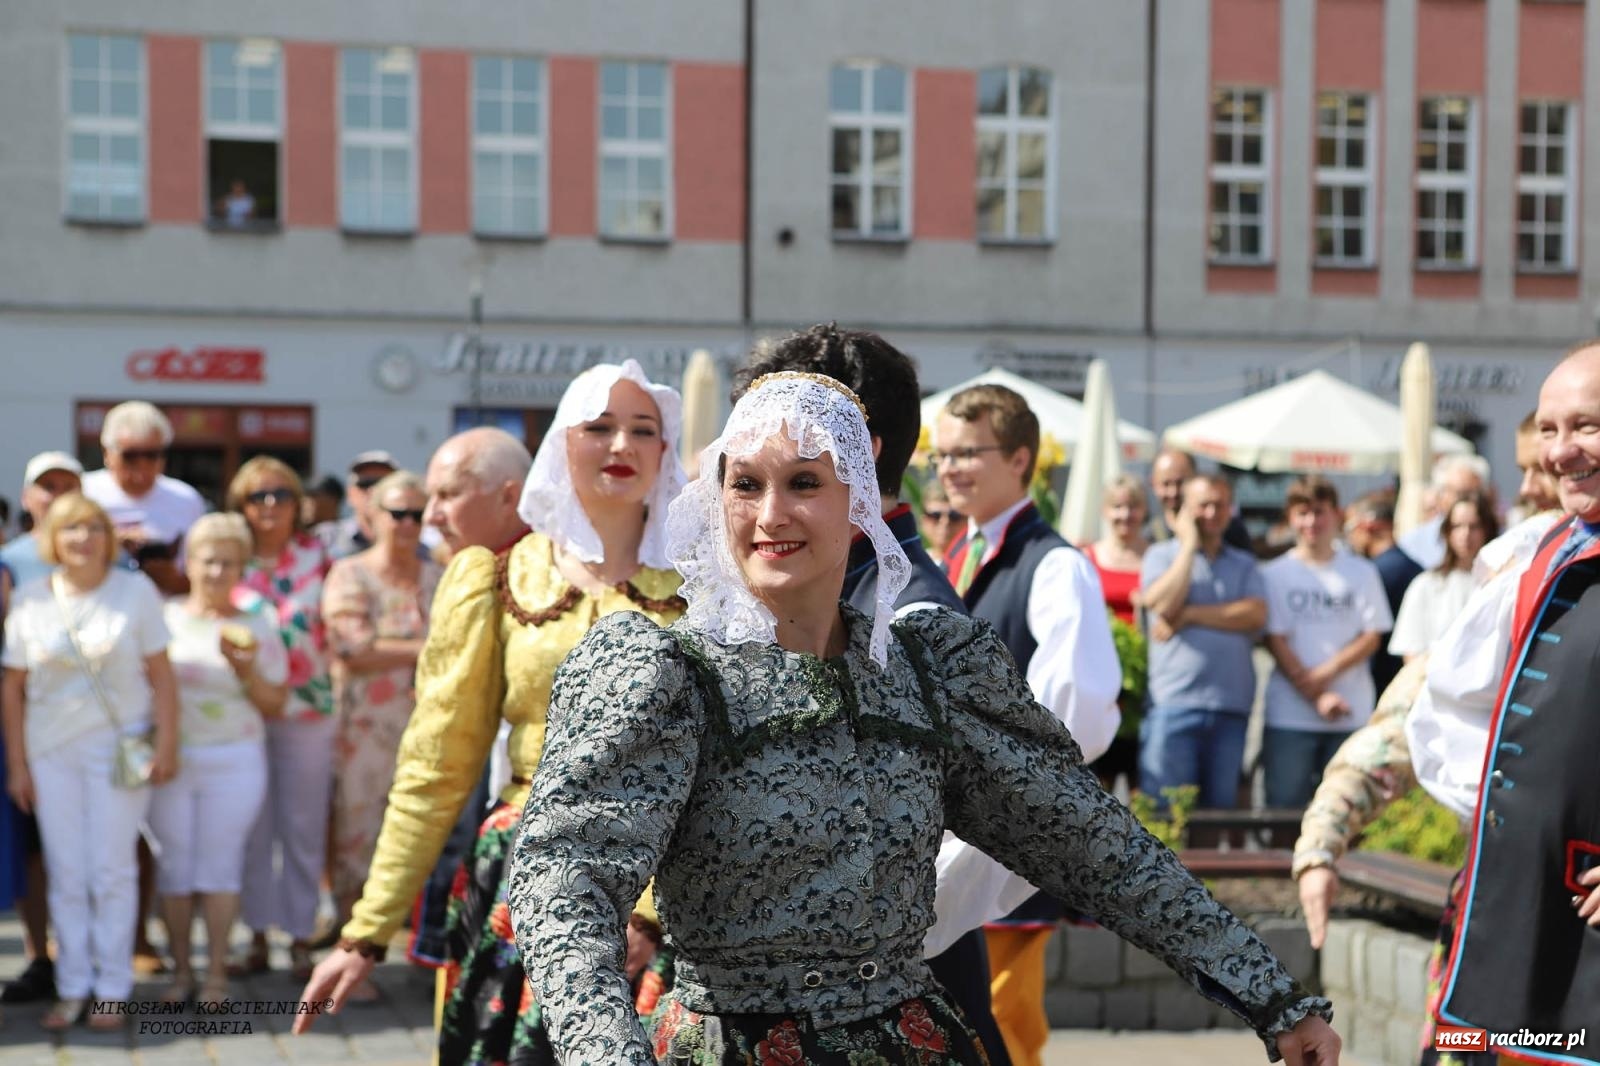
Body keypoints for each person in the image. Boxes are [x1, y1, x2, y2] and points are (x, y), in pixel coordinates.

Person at [502, 371, 1340, 1065]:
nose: (769, 515)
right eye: (745, 484)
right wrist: (605, 1053)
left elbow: (1090, 844)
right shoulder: (668, 676)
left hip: (914, 1042)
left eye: (804, 483)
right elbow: (564, 880)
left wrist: (1267, 994)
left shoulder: (927, 670)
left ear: (857, 502)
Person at [295, 361, 689, 1064]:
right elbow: (436, 765)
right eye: (599, 427)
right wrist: (366, 929)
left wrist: (650, 912)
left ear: (666, 449)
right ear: (561, 444)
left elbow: (717, 763)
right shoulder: (498, 576)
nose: (622, 446)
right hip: (524, 875)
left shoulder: (703, 589)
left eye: (643, 430)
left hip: (667, 879)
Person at [730, 324, 1011, 1066]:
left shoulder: (914, 621)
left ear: (860, 447)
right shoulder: (805, 594)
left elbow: (1006, 827)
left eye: (790, 464)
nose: (762, 502)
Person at [934, 382, 1121, 1066]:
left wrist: (1002, 798)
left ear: (1020, 459)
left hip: (1009, 827)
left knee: (1005, 1014)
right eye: (942, 455)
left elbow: (1077, 708)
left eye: (967, 453)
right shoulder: (958, 554)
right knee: (961, 1012)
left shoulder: (1056, 565)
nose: (949, 468)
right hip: (955, 825)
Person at [1423, 345, 1600, 1062]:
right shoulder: (1544, 549)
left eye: (1585, 426)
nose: (1559, 452)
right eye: (1549, 430)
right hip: (1505, 917)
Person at [1, 493, 178, 1030]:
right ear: (54, 537)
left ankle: (112, 989)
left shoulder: (135, 592)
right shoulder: (31, 599)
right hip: (51, 748)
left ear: (108, 536)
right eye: (71, 528)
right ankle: (73, 984)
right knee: (66, 870)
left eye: (92, 527)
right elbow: (13, 688)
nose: (83, 539)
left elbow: (162, 676)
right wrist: (18, 766)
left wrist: (167, 743)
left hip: (118, 748)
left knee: (113, 868)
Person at [150, 513, 288, 1007]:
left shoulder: (259, 622)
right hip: (172, 759)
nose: (217, 572)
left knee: (220, 868)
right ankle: (181, 972)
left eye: (229, 563)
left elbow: (276, 702)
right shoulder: (163, 618)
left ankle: (216, 977)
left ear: (242, 568)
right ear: (189, 562)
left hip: (235, 758)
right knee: (176, 869)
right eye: (209, 560)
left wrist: (246, 673)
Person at [408, 426, 533, 967]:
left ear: (509, 496)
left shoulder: (548, 577)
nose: (430, 515)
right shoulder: (469, 570)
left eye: (448, 495)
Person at [322, 469, 442, 998]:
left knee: (435, 833)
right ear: (372, 517)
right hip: (366, 733)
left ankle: (421, 945)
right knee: (358, 838)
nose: (409, 524)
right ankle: (354, 952)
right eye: (398, 514)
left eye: (418, 514)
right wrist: (430, 647)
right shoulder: (350, 574)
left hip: (433, 725)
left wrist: (396, 644)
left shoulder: (439, 573)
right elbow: (353, 648)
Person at [227, 457, 334, 982]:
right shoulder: (230, 558)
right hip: (241, 708)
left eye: (280, 495)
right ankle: (254, 934)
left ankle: (298, 936)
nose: (269, 506)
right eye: (257, 496)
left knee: (302, 826)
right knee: (251, 825)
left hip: (308, 707)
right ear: (240, 506)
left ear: (298, 504)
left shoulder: (320, 557)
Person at [0, 451, 83, 1004]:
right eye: (44, 487)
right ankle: (39, 955)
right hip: (24, 725)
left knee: (86, 849)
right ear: (28, 498)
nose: (54, 496)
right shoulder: (8, 561)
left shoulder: (104, 551)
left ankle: (90, 955)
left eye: (66, 486)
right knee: (32, 849)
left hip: (87, 729)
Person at [1259, 476, 1391, 809]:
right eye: (1302, 513)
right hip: (1290, 715)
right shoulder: (1275, 573)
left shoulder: (1361, 571)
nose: (1311, 522)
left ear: (1337, 514)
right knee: (1284, 808)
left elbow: (1372, 635)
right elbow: (1274, 638)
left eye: (1319, 512)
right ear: (1290, 517)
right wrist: (1317, 694)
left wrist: (1323, 676)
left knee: (1348, 808)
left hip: (1350, 710)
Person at [1140, 474, 1267, 810]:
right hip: (1174, 703)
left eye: (1220, 504)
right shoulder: (1160, 555)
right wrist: (1188, 546)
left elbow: (1255, 614)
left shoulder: (1244, 563)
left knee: (1217, 817)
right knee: (1165, 816)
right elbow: (1164, 604)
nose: (1212, 512)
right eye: (1203, 505)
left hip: (1231, 707)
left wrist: (1191, 614)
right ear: (1184, 510)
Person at [81, 400, 207, 597]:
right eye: (130, 456)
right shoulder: (83, 493)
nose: (141, 466)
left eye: (152, 455)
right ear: (107, 453)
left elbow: (207, 574)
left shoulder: (186, 500)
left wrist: (172, 578)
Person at [1083, 473, 1151, 792]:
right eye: (1117, 506)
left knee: (1141, 781)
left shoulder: (1157, 557)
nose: (1125, 515)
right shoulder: (1086, 557)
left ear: (1144, 511)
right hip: (1101, 678)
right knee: (1099, 783)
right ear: (1105, 511)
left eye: (1133, 506)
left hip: (1144, 681)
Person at [1387, 491, 1497, 663]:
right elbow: (1411, 650)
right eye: (1457, 526)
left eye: (1474, 526)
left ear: (1486, 530)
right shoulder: (1426, 584)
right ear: (1447, 531)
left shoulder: (1500, 584)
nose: (1465, 534)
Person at [1343, 492, 1420, 697]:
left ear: (1369, 526)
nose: (1349, 537)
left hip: (1382, 684)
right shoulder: (1414, 567)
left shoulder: (1373, 574)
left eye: (1350, 528)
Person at [1146, 448, 1253, 552]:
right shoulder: (1148, 530)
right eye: (1166, 484)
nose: (1173, 492)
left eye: (1180, 482)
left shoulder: (1224, 524)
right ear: (1153, 483)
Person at [1396, 455, 1491, 571]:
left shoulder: (1499, 538)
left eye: (1471, 493)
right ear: (1442, 495)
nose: (1464, 501)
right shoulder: (1412, 543)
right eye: (1458, 493)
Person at [324, 450, 400, 559]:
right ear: (350, 494)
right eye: (364, 484)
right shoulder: (326, 539)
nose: (373, 490)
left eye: (383, 483)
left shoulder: (412, 541)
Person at [918, 477, 962, 558]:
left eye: (954, 515)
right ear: (923, 521)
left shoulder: (979, 561)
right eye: (936, 515)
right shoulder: (910, 564)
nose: (945, 522)